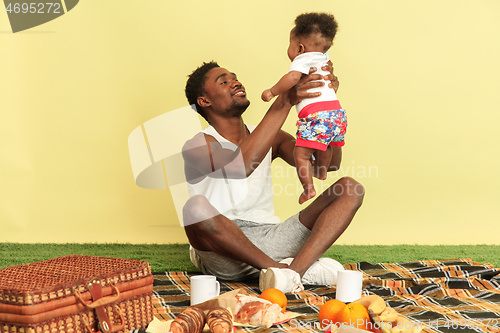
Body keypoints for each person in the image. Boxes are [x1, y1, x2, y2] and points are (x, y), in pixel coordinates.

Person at [181, 60, 364, 293]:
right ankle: (282, 270)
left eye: (234, 77)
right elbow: (240, 167)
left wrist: (326, 108)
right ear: (205, 101)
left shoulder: (273, 138)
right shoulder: (196, 145)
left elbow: (325, 166)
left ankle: (292, 274)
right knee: (194, 208)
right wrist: (285, 101)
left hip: (271, 237)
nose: (235, 82)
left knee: (351, 188)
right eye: (224, 82)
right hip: (224, 250)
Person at [262, 13, 347, 205]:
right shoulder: (324, 59)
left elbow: (292, 78)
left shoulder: (302, 59)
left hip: (317, 115)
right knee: (324, 145)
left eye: (290, 44)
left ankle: (308, 189)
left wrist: (272, 91)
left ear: (300, 48)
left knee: (300, 154)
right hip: (337, 113)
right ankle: (322, 170)